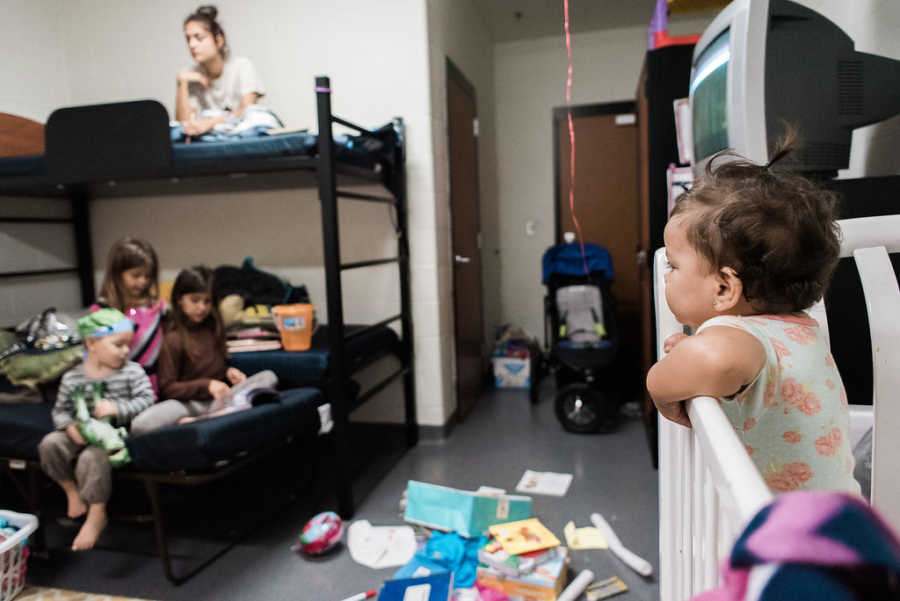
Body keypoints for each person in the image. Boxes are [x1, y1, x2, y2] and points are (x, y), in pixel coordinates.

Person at [646, 141, 860, 495]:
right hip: (837, 520)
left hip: (790, 541)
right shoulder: (800, 330)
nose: (667, 275)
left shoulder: (735, 333)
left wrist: (661, 385)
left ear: (723, 289)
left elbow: (715, 361)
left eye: (674, 265)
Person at [38, 309, 155, 550]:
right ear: (92, 343)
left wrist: (118, 408)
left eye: (128, 345)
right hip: (81, 429)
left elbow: (148, 399)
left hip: (112, 435)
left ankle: (96, 512)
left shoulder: (132, 372)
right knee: (50, 443)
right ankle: (71, 491)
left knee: (93, 457)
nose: (125, 351)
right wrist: (69, 427)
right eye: (118, 344)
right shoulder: (72, 378)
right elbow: (60, 411)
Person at [130, 266, 277, 434]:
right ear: (179, 299)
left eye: (207, 301)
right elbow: (167, 388)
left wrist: (229, 372)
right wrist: (206, 385)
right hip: (187, 403)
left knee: (269, 377)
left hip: (220, 399)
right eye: (195, 300)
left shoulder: (213, 328)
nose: (202, 307)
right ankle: (213, 417)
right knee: (142, 424)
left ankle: (209, 418)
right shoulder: (173, 337)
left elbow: (217, 369)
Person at [175, 5, 265, 137]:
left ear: (218, 40)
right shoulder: (189, 75)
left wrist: (209, 123)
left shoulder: (242, 66)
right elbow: (183, 124)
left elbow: (248, 111)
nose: (192, 45)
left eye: (198, 37)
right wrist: (181, 82)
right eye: (188, 39)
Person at [94, 237, 166, 398]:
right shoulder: (101, 311)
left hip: (152, 387)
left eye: (148, 276)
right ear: (117, 274)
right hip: (115, 389)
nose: (143, 282)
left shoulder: (157, 307)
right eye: (136, 275)